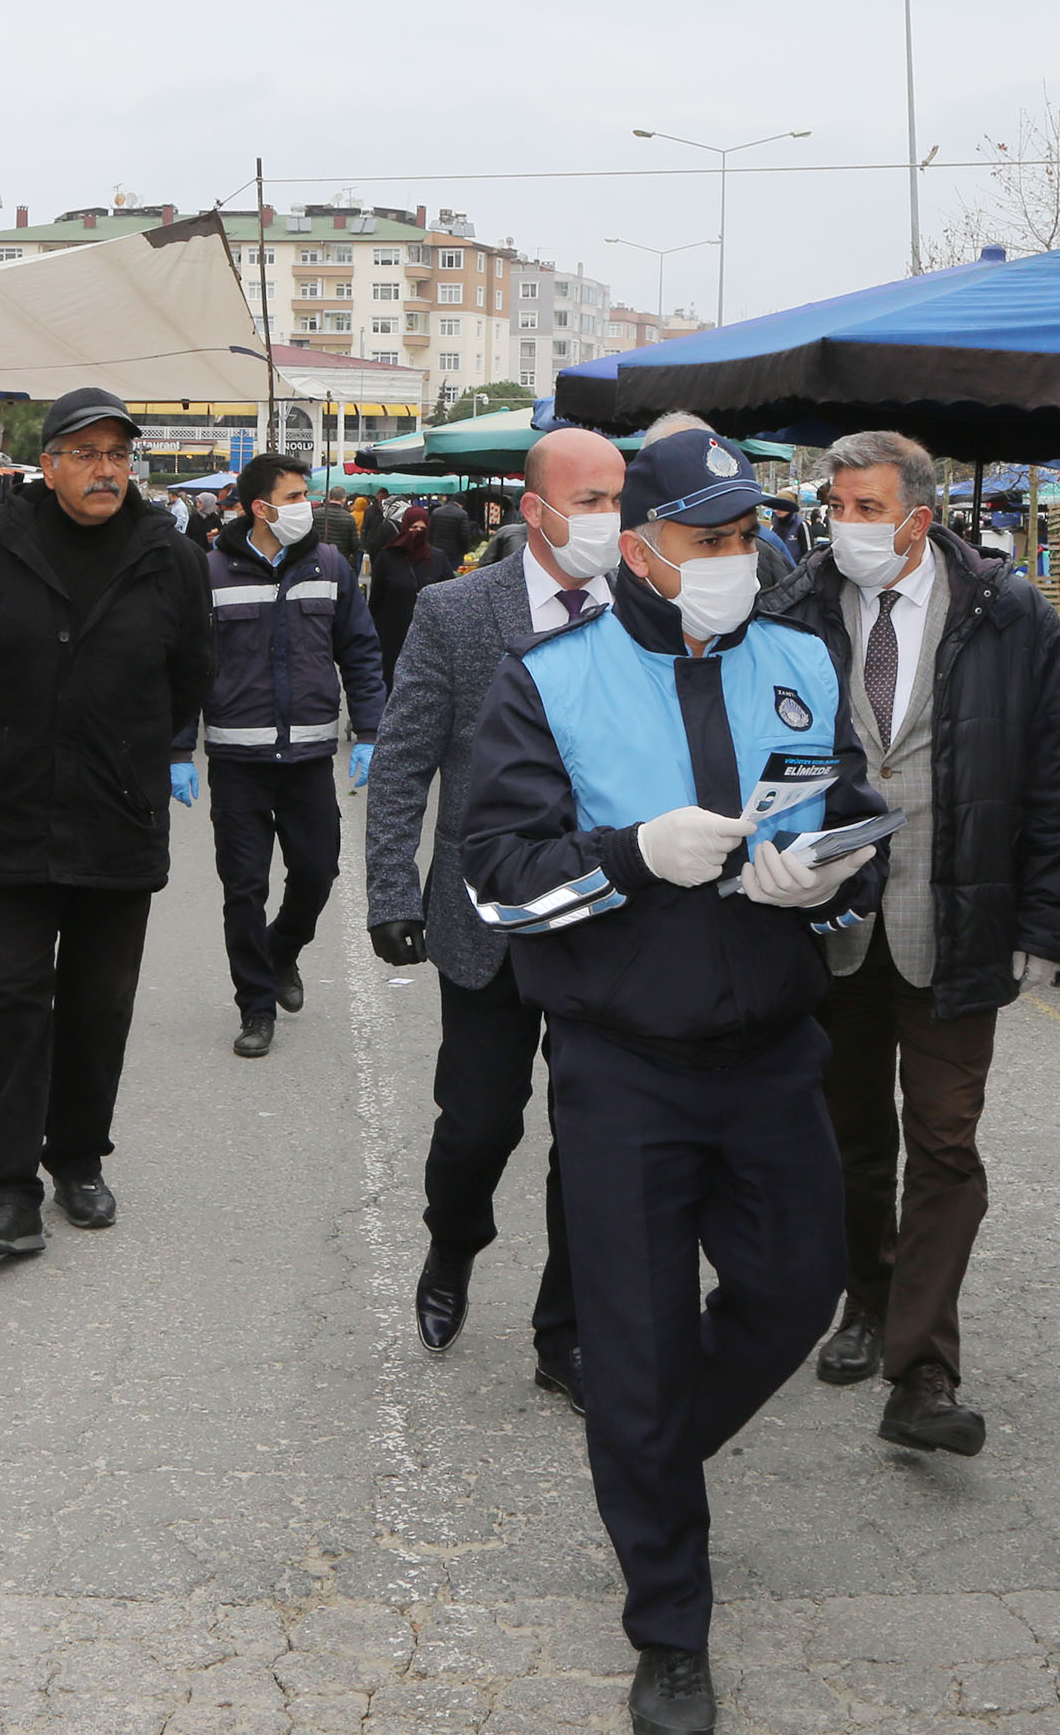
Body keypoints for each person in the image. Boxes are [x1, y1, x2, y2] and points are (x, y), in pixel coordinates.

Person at [464, 428, 889, 1735]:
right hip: (621, 1065)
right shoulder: (549, 679)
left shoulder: (798, 659)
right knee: (638, 1350)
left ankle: (642, 1464)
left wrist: (825, 866)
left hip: (771, 1051)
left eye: (744, 534)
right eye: (705, 538)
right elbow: (495, 875)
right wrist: (634, 852)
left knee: (794, 1288)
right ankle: (670, 1625)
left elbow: (847, 808)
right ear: (637, 547)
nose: (734, 559)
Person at [758, 432, 1060, 1458]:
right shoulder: (794, 610)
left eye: (866, 507)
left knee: (946, 1142)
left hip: (959, 925)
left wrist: (1042, 924)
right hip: (835, 925)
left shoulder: (1007, 614)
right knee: (851, 1140)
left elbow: (1056, 780)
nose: (844, 524)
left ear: (918, 516)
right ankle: (866, 1298)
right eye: (836, 504)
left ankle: (924, 1370)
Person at [367, 427, 625, 1408]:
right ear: (535, 511)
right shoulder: (456, 611)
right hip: (485, 923)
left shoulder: (646, 613)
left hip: (608, 919)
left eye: (617, 498)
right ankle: (451, 1244)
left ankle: (565, 1331)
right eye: (588, 498)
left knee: (594, 1135)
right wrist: (393, 890)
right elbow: (402, 762)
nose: (609, 518)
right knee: (479, 1125)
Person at [0, 387, 215, 1258]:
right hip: (9, 814)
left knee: (100, 1004)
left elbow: (188, 678)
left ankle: (80, 1158)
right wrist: (11, 743)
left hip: (116, 815)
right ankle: (9, 1191)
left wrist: (115, 741)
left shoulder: (167, 554)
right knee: (13, 998)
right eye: (87, 453)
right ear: (47, 462)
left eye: (118, 454)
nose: (106, 469)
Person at [186, 452, 386, 1058]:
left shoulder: (328, 565)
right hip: (237, 762)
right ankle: (255, 1005)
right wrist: (175, 747)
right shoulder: (211, 572)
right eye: (295, 495)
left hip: (307, 760)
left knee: (317, 872)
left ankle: (283, 949)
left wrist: (373, 732)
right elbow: (185, 665)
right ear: (259, 507)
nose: (307, 506)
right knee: (242, 887)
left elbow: (360, 651)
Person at [368, 502, 454, 685]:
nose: (417, 532)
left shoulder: (437, 558)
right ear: (405, 527)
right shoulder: (387, 558)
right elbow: (376, 599)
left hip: (429, 634)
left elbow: (450, 593)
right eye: (413, 527)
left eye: (422, 528)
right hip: (392, 634)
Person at [315, 484, 362, 570]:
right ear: (344, 500)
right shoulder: (349, 518)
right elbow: (354, 545)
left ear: (329, 498)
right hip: (340, 560)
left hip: (317, 558)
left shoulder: (315, 514)